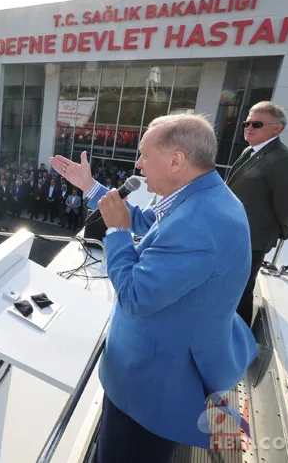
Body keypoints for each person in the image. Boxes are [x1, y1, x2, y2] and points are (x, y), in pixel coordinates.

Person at [51, 113, 257, 462]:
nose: (139, 163)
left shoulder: (198, 224)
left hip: (153, 388)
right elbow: (150, 222)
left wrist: (115, 234)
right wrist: (91, 188)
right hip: (171, 363)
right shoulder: (202, 195)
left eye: (146, 154)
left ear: (176, 160)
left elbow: (134, 295)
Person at [226, 101, 288, 328]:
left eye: (256, 124)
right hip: (235, 234)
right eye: (247, 122)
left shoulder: (282, 159)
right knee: (230, 289)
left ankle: (239, 344)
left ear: (277, 128)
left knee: (240, 293)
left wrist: (276, 233)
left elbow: (287, 207)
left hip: (253, 239)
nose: (248, 127)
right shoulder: (250, 150)